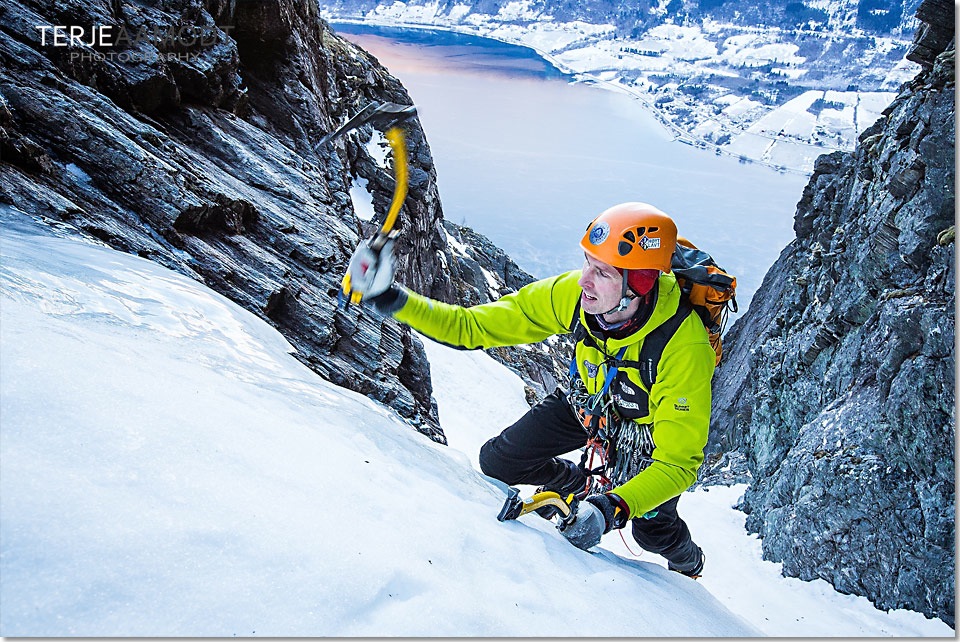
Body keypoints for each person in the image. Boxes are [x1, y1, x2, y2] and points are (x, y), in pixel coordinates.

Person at [345, 202, 713, 577]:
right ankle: (578, 486)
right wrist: (391, 297)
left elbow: (677, 464)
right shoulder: (573, 296)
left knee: (652, 532)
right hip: (591, 404)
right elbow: (470, 327)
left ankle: (689, 561)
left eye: (602, 272)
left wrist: (612, 507)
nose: (584, 280)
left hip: (645, 433)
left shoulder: (684, 347)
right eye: (588, 263)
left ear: (641, 283)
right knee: (499, 461)